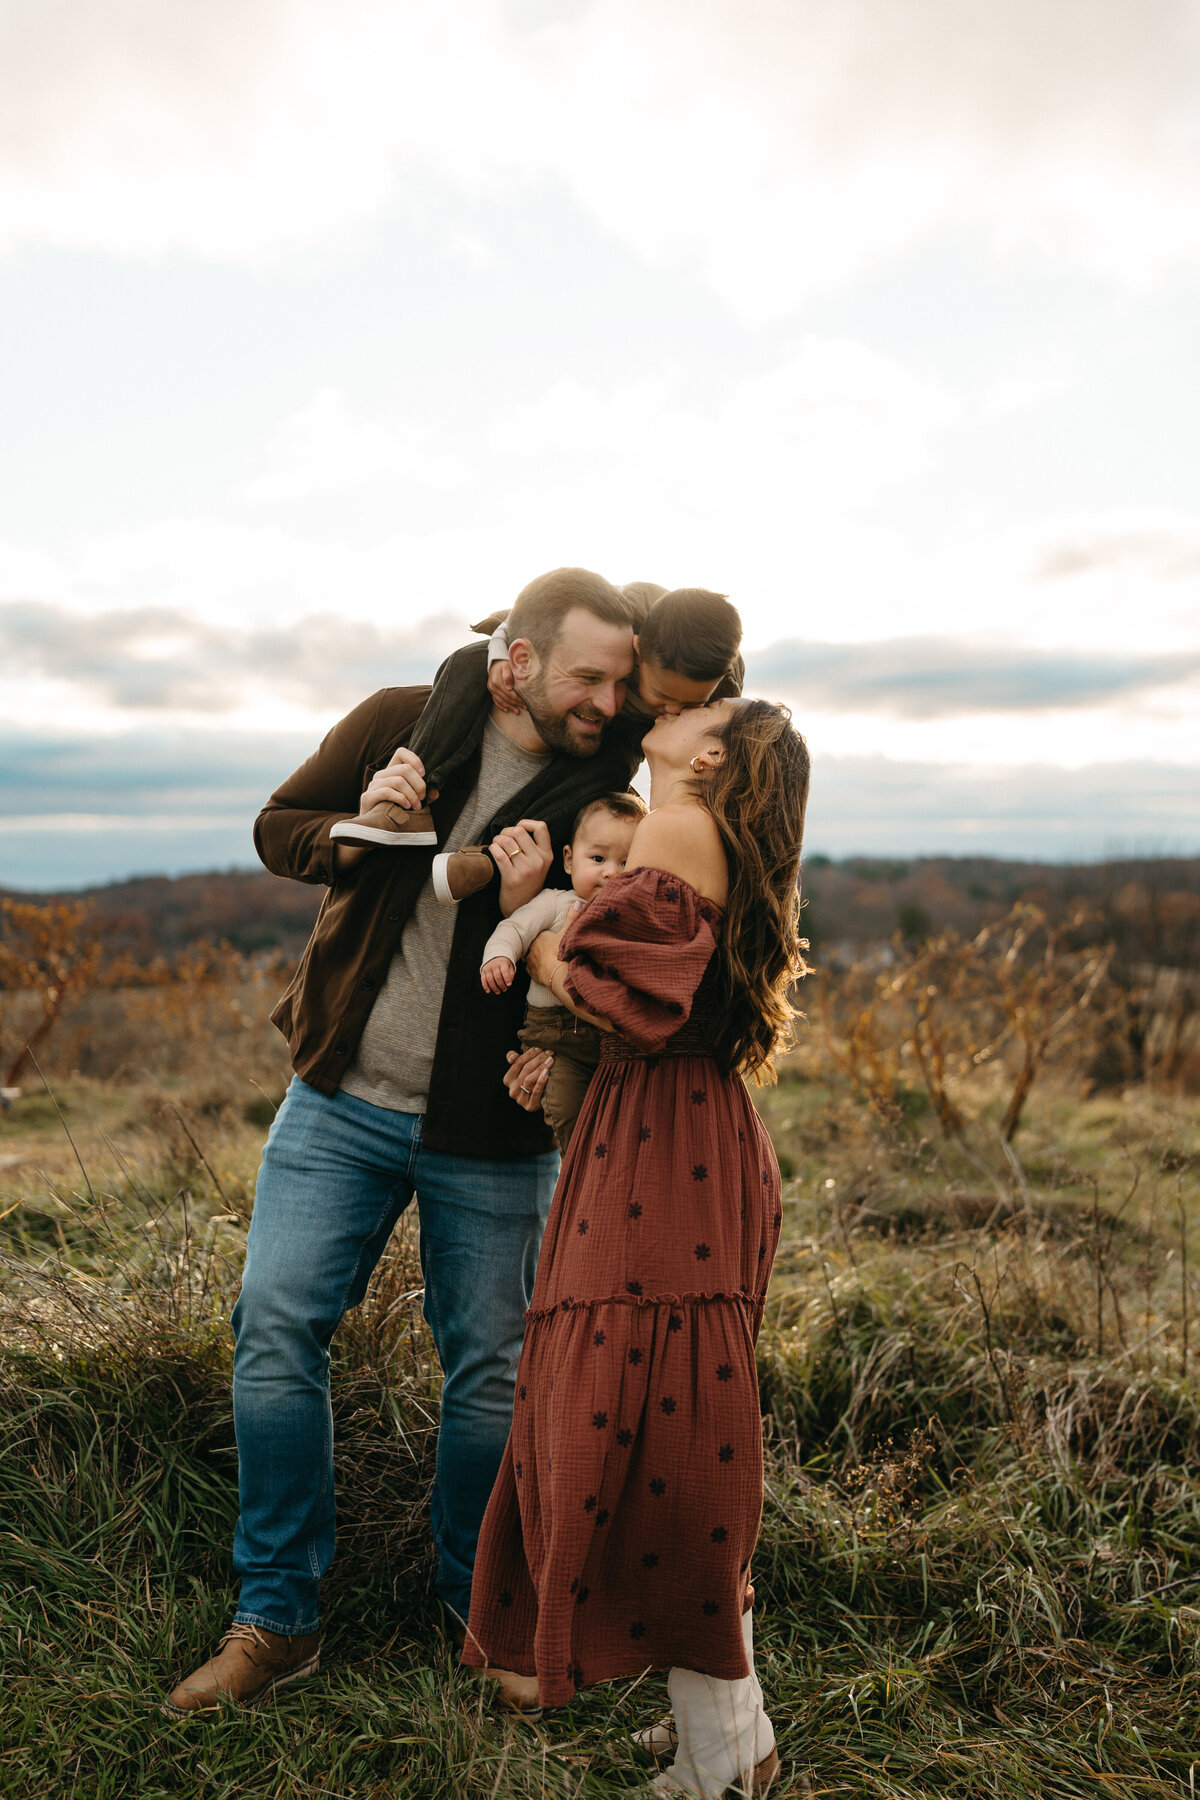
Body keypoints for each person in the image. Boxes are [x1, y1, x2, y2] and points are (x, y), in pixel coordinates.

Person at [163, 567, 641, 1717]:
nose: (608, 698)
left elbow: (614, 939)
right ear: (515, 660)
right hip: (339, 1103)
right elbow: (278, 828)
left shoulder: (607, 790)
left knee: (491, 1377)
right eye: (588, 674)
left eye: (623, 679)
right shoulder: (396, 723)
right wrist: (360, 826)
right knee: (277, 1327)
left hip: (495, 1132)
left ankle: (475, 1617)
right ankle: (275, 1619)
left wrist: (563, 1023)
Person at [462, 697, 810, 1799]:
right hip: (688, 1135)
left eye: (695, 706)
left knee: (653, 1432)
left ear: (710, 752)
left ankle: (721, 1766)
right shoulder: (719, 834)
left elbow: (624, 1006)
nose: (664, 707)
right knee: (671, 1420)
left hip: (664, 1147)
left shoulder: (678, 828)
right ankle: (726, 1723)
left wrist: (538, 926)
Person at [330, 587, 744, 852]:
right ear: (638, 648)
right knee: (468, 660)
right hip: (535, 681)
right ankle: (407, 802)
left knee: (607, 771)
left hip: (620, 741)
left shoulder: (723, 677)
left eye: (690, 705)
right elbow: (542, 614)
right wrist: (497, 650)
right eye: (665, 696)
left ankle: (495, 852)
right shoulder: (635, 609)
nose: (673, 711)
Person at [480, 791, 647, 1152]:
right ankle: (581, 1173)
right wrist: (500, 958)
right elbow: (513, 929)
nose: (611, 872)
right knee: (571, 1118)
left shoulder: (637, 919)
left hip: (611, 1042)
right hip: (557, 1044)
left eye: (627, 862)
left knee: (621, 1124)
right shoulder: (557, 903)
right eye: (598, 858)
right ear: (569, 860)